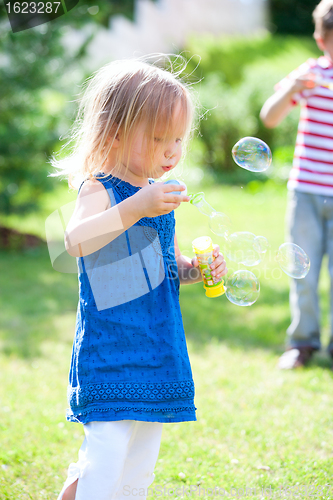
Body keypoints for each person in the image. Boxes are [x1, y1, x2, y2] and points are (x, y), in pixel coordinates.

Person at [51, 56, 228, 500]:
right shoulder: (101, 188)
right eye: (157, 138)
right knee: (107, 456)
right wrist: (136, 206)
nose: (172, 151)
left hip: (155, 345)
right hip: (110, 351)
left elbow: (161, 265)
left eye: (178, 139)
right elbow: (76, 242)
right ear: (114, 132)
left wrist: (192, 269)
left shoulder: (157, 196)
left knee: (138, 467)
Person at [260, 0, 333, 369]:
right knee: (301, 272)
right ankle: (302, 343)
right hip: (305, 189)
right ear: (322, 40)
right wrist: (290, 85)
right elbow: (269, 117)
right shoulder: (311, 75)